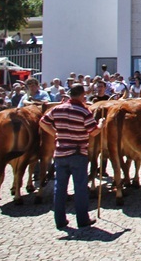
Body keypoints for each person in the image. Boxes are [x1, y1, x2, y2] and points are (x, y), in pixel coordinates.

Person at [39, 85, 103, 229]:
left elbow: (43, 122)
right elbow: (93, 132)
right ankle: (82, 220)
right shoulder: (83, 111)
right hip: (78, 153)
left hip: (61, 153)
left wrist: (54, 133)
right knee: (80, 187)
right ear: (81, 95)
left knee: (60, 188)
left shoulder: (57, 109)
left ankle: (60, 221)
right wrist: (101, 124)